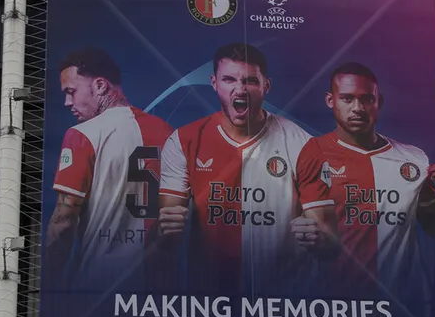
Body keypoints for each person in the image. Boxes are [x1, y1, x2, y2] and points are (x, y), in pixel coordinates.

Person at [157, 42, 312, 290]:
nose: (239, 90)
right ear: (214, 82)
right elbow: (166, 236)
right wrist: (166, 227)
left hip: (280, 295)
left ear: (266, 86)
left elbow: (328, 236)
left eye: (250, 81)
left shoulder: (300, 142)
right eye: (229, 80)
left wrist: (319, 231)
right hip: (208, 294)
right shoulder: (183, 140)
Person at [292, 62, 435, 287]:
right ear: (330, 101)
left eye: (366, 99)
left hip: (405, 304)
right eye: (347, 99)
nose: (357, 108)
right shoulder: (310, 152)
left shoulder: (413, 158)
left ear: (379, 102)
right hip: (333, 301)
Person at [46, 47, 172, 288]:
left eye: (71, 92)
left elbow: (64, 220)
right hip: (160, 290)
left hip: (100, 284)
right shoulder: (168, 133)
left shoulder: (83, 135)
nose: (66, 102)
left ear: (101, 86)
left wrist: (52, 280)